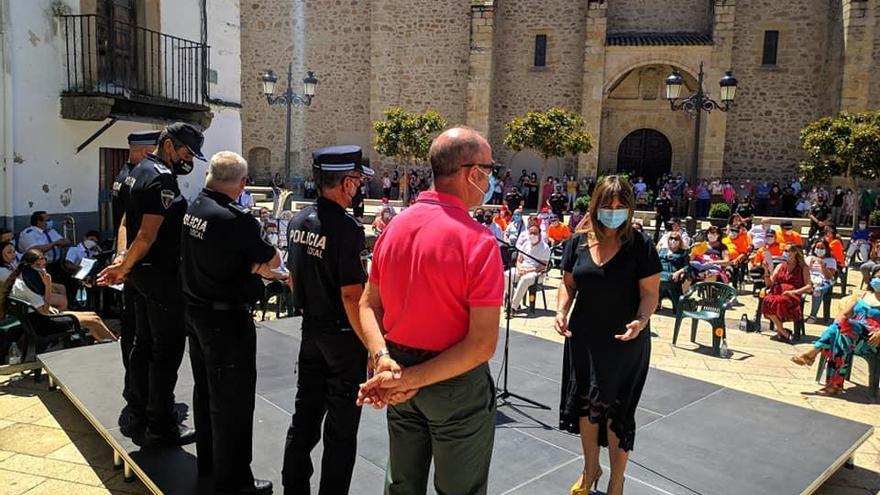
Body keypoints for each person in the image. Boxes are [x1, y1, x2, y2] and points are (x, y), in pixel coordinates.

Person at [356, 128, 502, 494]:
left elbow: (367, 304)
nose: (491, 178)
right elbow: (482, 345)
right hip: (453, 383)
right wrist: (405, 377)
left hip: (398, 369)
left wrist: (384, 360)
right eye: (489, 169)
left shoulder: (395, 227)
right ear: (473, 174)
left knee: (402, 485)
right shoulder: (479, 241)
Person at [97, 122, 204, 446]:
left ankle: (140, 409)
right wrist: (122, 267)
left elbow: (128, 221)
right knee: (166, 350)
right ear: (169, 145)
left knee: (142, 343)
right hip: (159, 275)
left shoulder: (137, 170)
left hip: (140, 275)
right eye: (186, 151)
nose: (188, 158)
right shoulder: (161, 178)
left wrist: (123, 263)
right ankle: (160, 423)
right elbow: (146, 234)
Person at [181, 151, 279, 494]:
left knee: (205, 391)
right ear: (241, 184)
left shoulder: (194, 207)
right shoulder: (235, 219)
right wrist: (251, 267)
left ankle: (208, 461)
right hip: (225, 320)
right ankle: (235, 480)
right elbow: (273, 258)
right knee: (233, 402)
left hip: (195, 311)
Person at [555, 175, 661, 495]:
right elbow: (568, 285)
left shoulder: (641, 246)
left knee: (616, 412)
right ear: (595, 206)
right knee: (587, 408)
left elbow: (649, 294)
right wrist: (561, 311)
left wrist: (641, 320)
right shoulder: (576, 244)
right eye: (607, 205)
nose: (613, 212)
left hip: (625, 340)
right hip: (584, 336)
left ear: (629, 209)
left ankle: (617, 481)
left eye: (620, 206)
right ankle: (591, 469)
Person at [281, 145, 375, 495]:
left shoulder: (297, 220)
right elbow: (352, 295)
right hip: (341, 337)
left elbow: (294, 276)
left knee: (304, 419)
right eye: (357, 181)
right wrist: (370, 346)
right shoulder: (346, 228)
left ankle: (293, 489)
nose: (359, 189)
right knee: (341, 431)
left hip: (311, 331)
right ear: (346, 183)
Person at [791, 265, 880, 396]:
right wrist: (839, 326)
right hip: (849, 335)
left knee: (845, 329)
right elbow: (844, 315)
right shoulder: (862, 295)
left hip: (871, 342)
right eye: (878, 277)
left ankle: (814, 353)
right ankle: (833, 385)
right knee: (840, 332)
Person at [0, 249, 116, 341]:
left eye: (43, 266)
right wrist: (48, 285)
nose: (42, 270)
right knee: (93, 321)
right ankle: (112, 346)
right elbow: (44, 312)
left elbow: (40, 306)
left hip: (38, 317)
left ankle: (108, 341)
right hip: (43, 324)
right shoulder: (25, 285)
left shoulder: (20, 277)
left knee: (93, 315)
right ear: (28, 265)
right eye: (38, 265)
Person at [761, 243, 812, 342]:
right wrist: (766, 271)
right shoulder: (780, 266)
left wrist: (793, 292)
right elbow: (769, 283)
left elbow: (809, 286)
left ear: (795, 253)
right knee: (767, 300)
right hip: (777, 291)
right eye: (784, 250)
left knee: (779, 301)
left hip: (793, 294)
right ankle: (782, 330)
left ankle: (781, 331)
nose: (785, 253)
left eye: (788, 251)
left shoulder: (803, 268)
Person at [17, 211, 74, 298]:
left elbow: (66, 241)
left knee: (66, 284)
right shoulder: (28, 233)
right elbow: (35, 249)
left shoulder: (51, 231)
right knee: (48, 290)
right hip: (40, 267)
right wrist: (54, 243)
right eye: (47, 220)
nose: (50, 222)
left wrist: (62, 242)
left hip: (56, 265)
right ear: (39, 222)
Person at [504, 224, 551, 313]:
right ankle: (513, 301)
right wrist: (519, 268)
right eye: (531, 233)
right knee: (506, 274)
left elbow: (542, 266)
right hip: (522, 269)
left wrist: (527, 271)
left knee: (525, 279)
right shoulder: (526, 244)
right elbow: (519, 260)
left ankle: (513, 307)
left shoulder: (545, 248)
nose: (532, 235)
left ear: (539, 234)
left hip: (535, 272)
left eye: (535, 233)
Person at [806, 240, 837, 321]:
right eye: (817, 247)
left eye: (822, 248)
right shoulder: (809, 258)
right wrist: (809, 265)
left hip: (824, 281)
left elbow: (829, 276)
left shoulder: (831, 260)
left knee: (817, 291)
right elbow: (804, 271)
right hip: (810, 279)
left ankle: (813, 315)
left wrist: (823, 266)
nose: (819, 250)